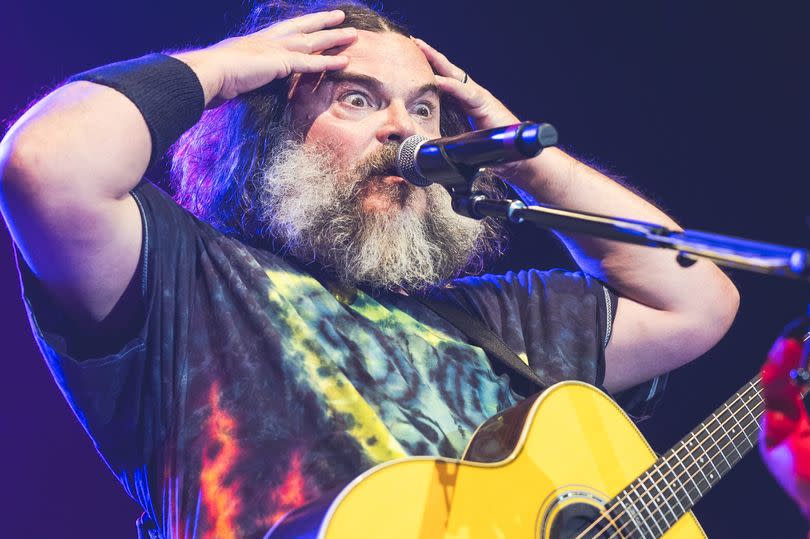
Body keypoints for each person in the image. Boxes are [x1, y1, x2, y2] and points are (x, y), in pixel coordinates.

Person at [0, 1, 739, 537]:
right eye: (358, 99)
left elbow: (697, 299)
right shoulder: (189, 283)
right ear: (266, 135)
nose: (403, 128)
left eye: (424, 109)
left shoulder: (491, 320)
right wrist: (225, 67)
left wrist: (528, 162)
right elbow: (48, 166)